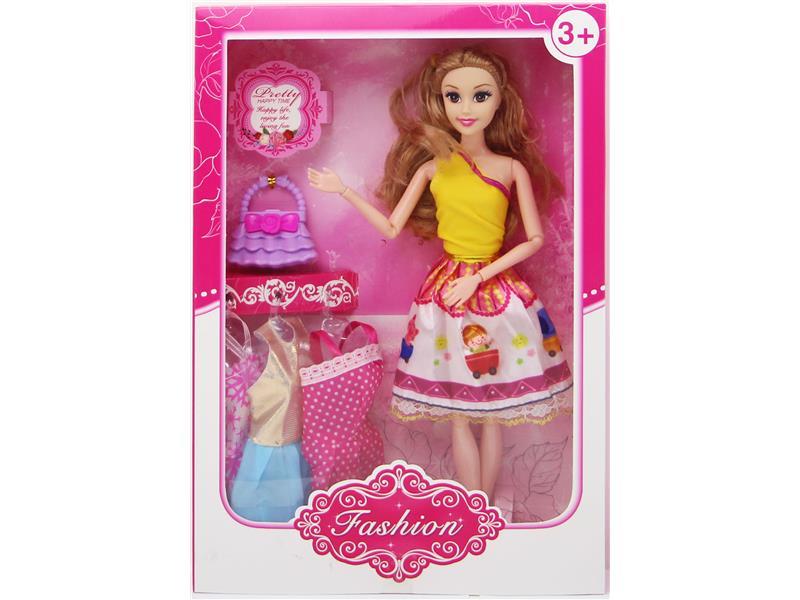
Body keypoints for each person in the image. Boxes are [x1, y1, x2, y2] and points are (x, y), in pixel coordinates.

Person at [307, 47, 572, 501]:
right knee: (459, 414)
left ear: (499, 100)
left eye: (480, 95)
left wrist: (479, 278)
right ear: (441, 102)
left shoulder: (511, 168)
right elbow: (392, 227)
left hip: (494, 292)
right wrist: (343, 190)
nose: (466, 108)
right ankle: (474, 506)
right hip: (446, 296)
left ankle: (484, 509)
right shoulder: (433, 168)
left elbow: (534, 239)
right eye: (454, 97)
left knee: (493, 413)